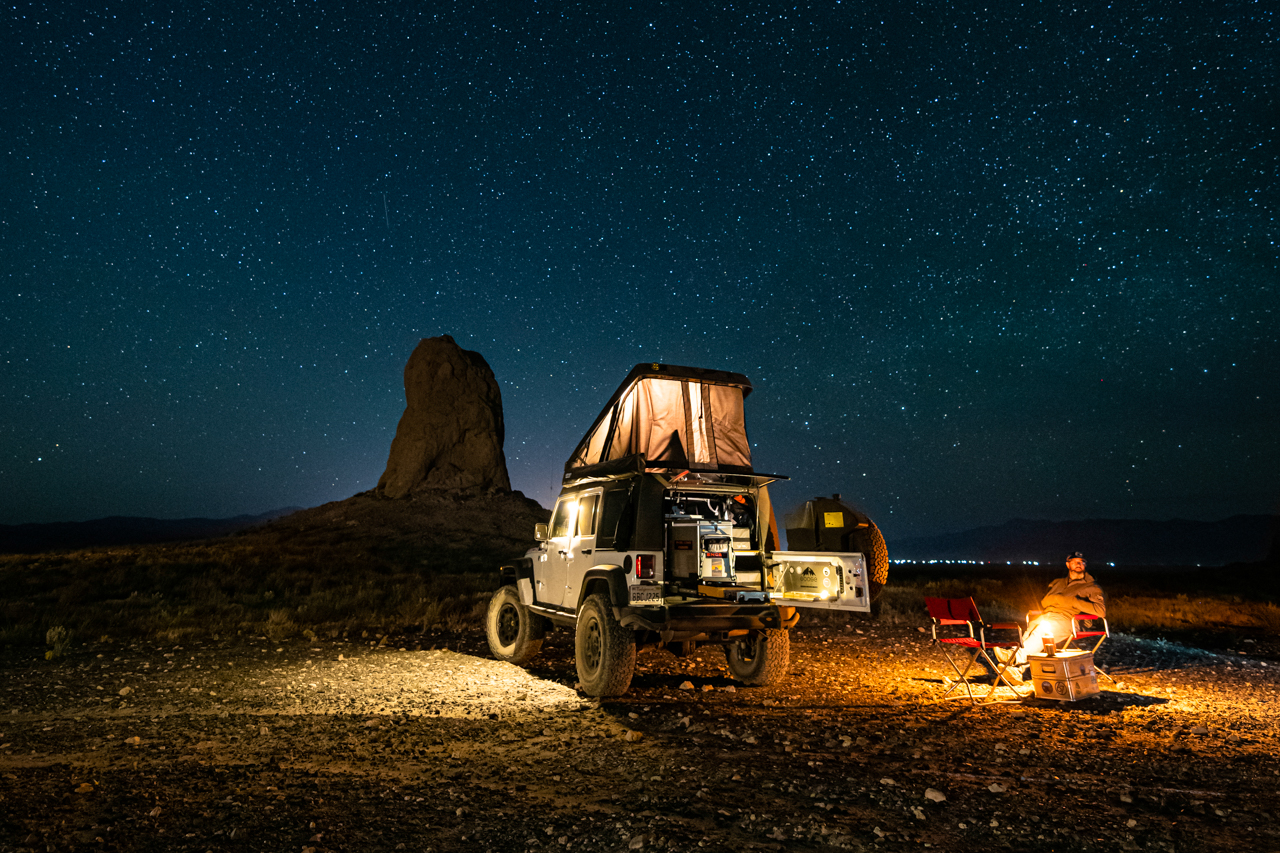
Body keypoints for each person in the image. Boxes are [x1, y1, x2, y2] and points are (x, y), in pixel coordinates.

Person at [1013, 552, 1106, 666]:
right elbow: (1044, 602)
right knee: (1029, 630)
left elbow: (1101, 611)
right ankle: (1016, 668)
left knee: (1042, 631)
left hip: (1071, 621)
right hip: (1049, 616)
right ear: (1068, 565)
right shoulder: (1057, 583)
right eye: (1075, 562)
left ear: (1085, 565)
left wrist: (1073, 601)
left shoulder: (1091, 587)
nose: (1078, 564)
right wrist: (1056, 599)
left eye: (1082, 562)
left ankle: (1014, 658)